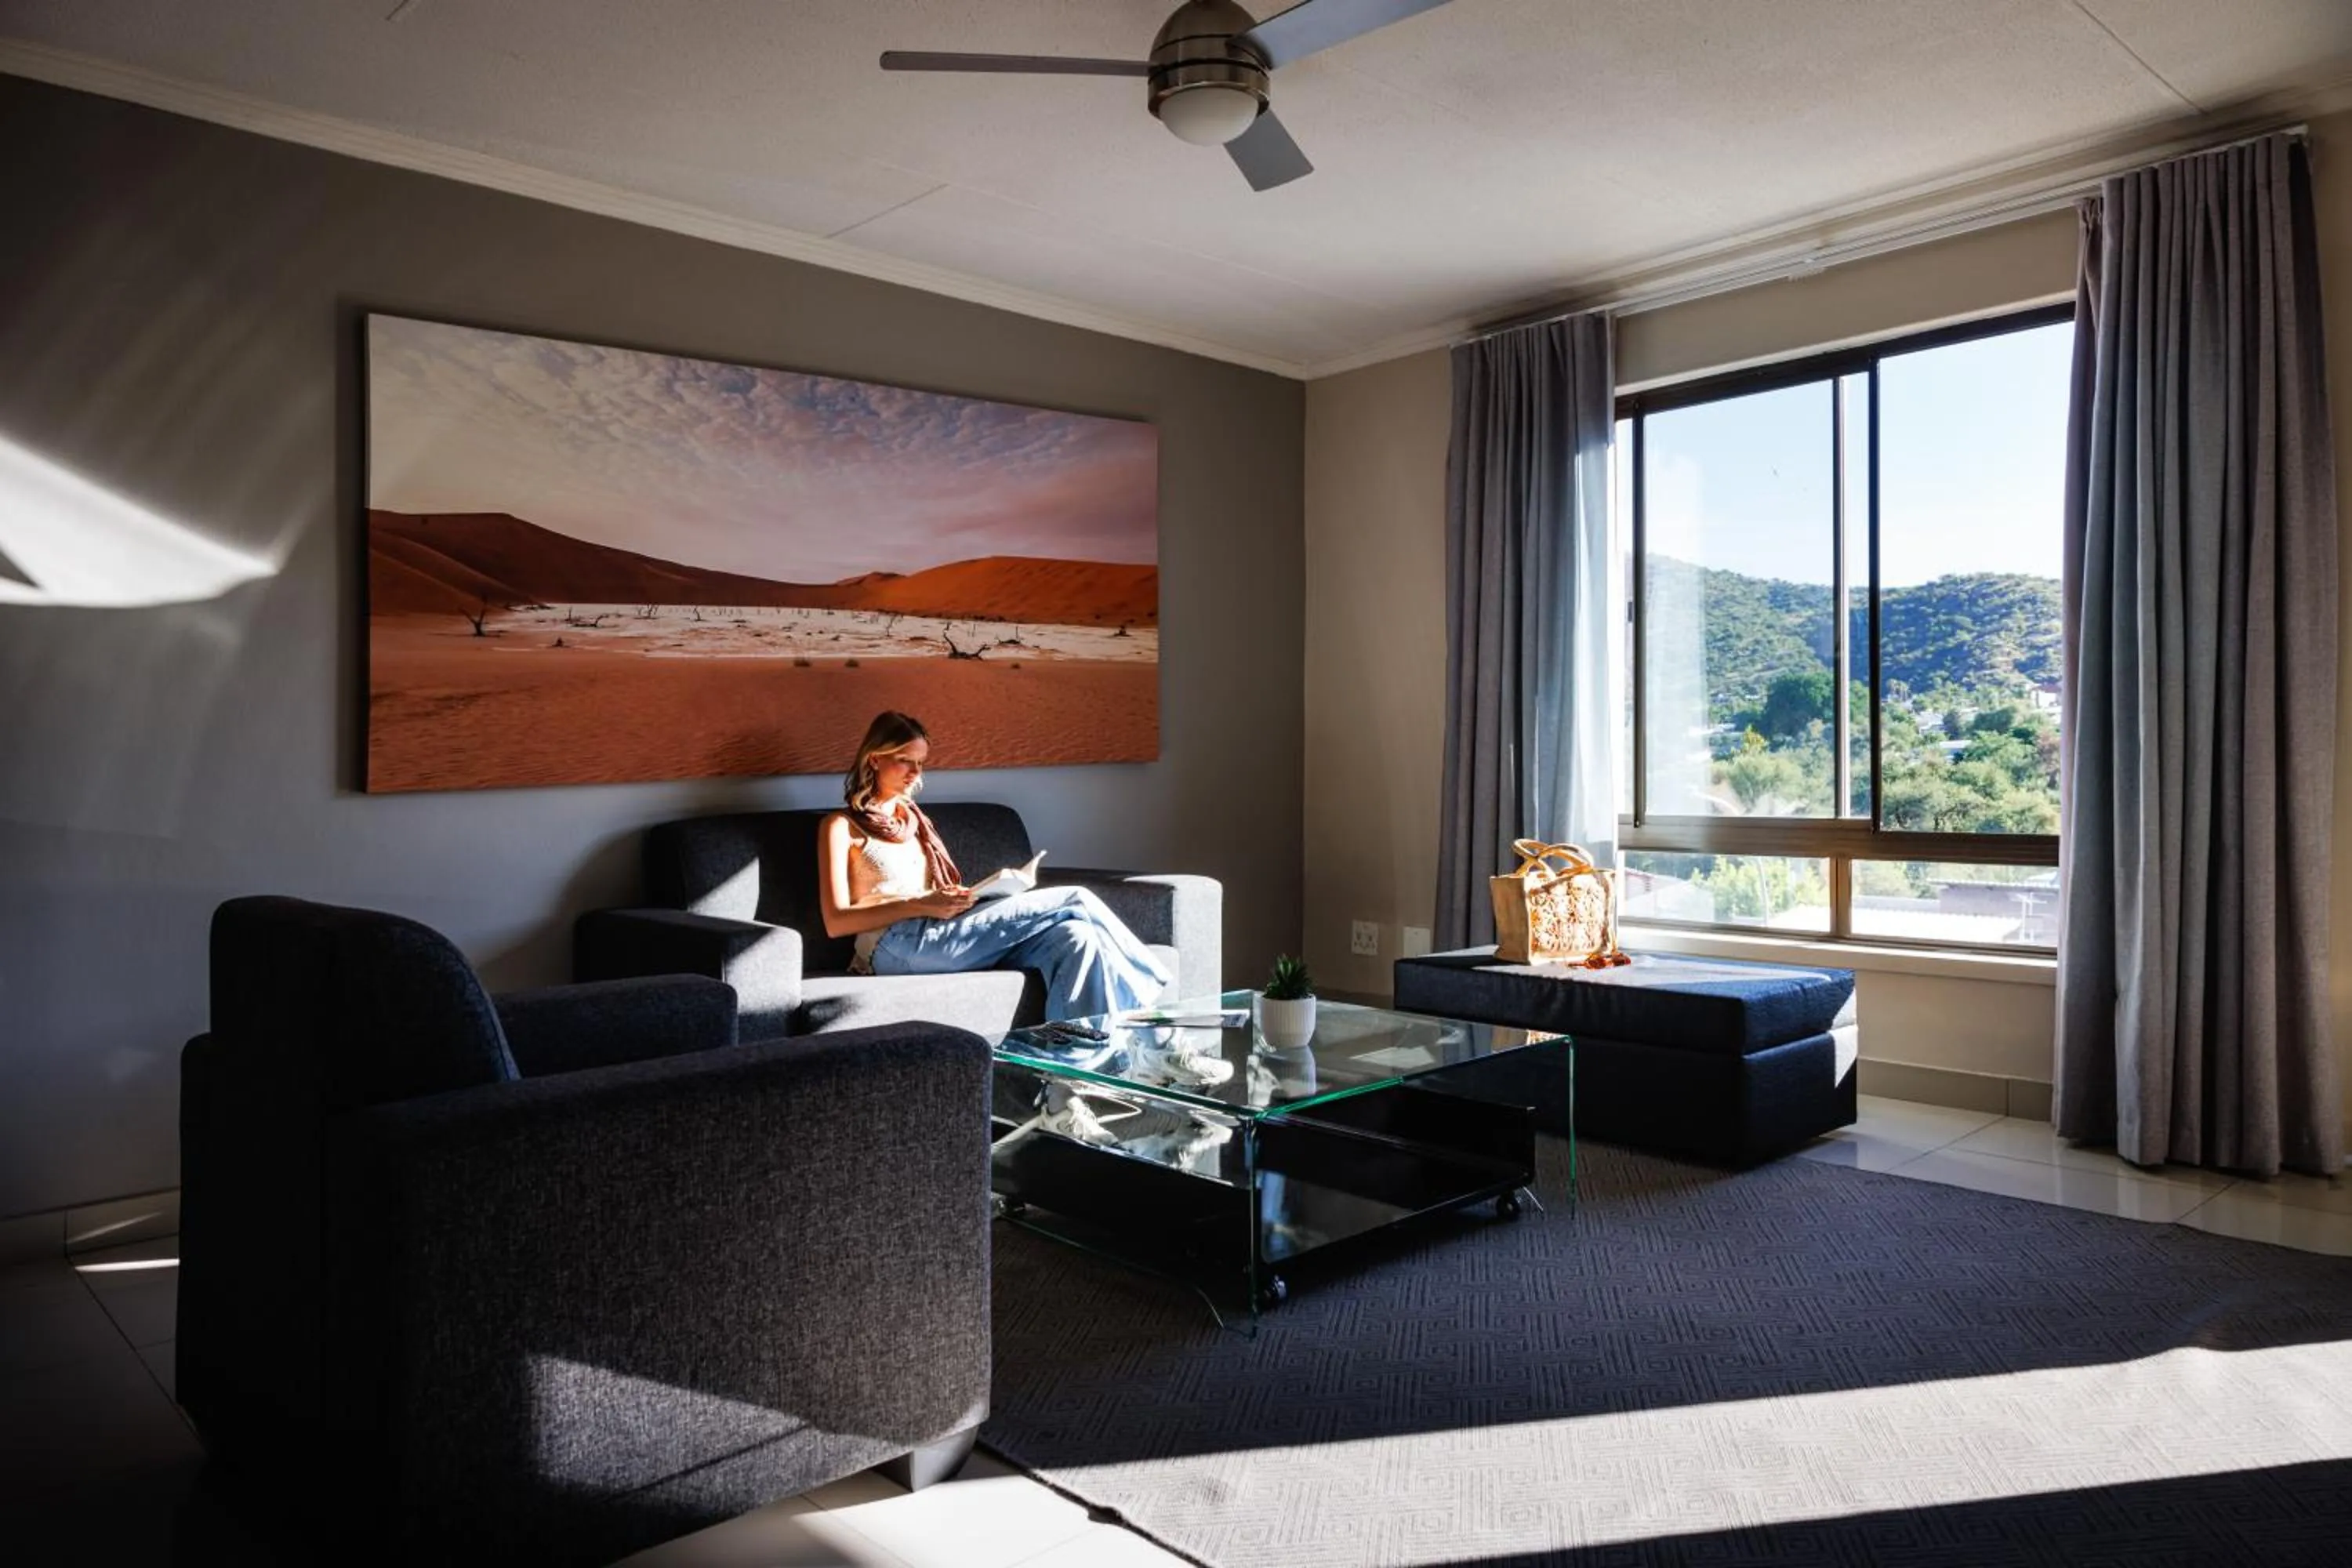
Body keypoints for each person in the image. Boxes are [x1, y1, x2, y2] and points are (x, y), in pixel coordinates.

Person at [818, 710, 1174, 1022]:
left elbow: (927, 896)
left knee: (1075, 939)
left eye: (921, 763)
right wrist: (923, 904)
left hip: (936, 929)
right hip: (893, 946)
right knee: (1075, 899)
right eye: (904, 760)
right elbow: (836, 921)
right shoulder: (841, 826)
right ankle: (1155, 1001)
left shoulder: (913, 821)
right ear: (875, 759)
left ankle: (1066, 1088)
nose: (915, 772)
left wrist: (950, 900)